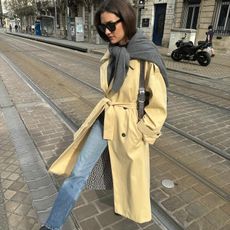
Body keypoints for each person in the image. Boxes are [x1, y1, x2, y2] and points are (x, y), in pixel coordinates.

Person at [40, 0, 168, 229]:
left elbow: (158, 105)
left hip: (130, 127)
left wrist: (142, 133)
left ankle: (124, 208)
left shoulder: (146, 56)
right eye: (102, 28)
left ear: (126, 20)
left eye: (111, 26)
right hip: (105, 119)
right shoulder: (113, 52)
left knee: (129, 180)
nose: (107, 32)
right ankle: (52, 225)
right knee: (78, 173)